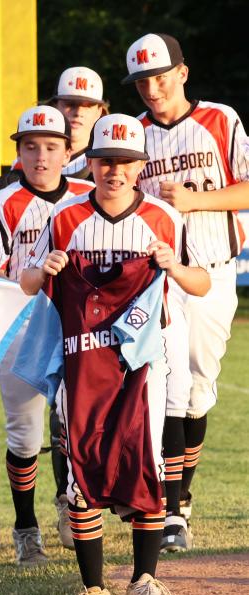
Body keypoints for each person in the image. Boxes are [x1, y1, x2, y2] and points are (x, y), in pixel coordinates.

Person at [17, 113, 210, 595]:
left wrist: (171, 266)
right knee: (81, 468)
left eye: (125, 163)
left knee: (144, 464)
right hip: (80, 362)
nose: (115, 172)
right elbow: (27, 282)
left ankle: (145, 579)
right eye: (105, 162)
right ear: (92, 164)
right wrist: (46, 270)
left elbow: (201, 284)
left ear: (140, 166)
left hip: (144, 365)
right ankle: (92, 591)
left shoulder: (165, 219)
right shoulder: (66, 218)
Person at [123, 32, 249, 551]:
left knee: (198, 387)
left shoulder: (221, 119)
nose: (151, 89)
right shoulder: (133, 133)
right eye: (141, 81)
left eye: (159, 76)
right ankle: (170, 506)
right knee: (163, 385)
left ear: (182, 72)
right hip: (155, 280)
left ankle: (183, 493)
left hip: (213, 273)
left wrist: (199, 202)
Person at [0, 105, 93, 566]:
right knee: (24, 437)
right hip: (22, 326)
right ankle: (26, 526)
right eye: (30, 147)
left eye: (51, 147)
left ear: (68, 151)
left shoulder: (88, 194)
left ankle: (70, 504)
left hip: (77, 325)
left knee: (74, 425)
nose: (41, 157)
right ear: (18, 154)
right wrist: (31, 275)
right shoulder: (3, 205)